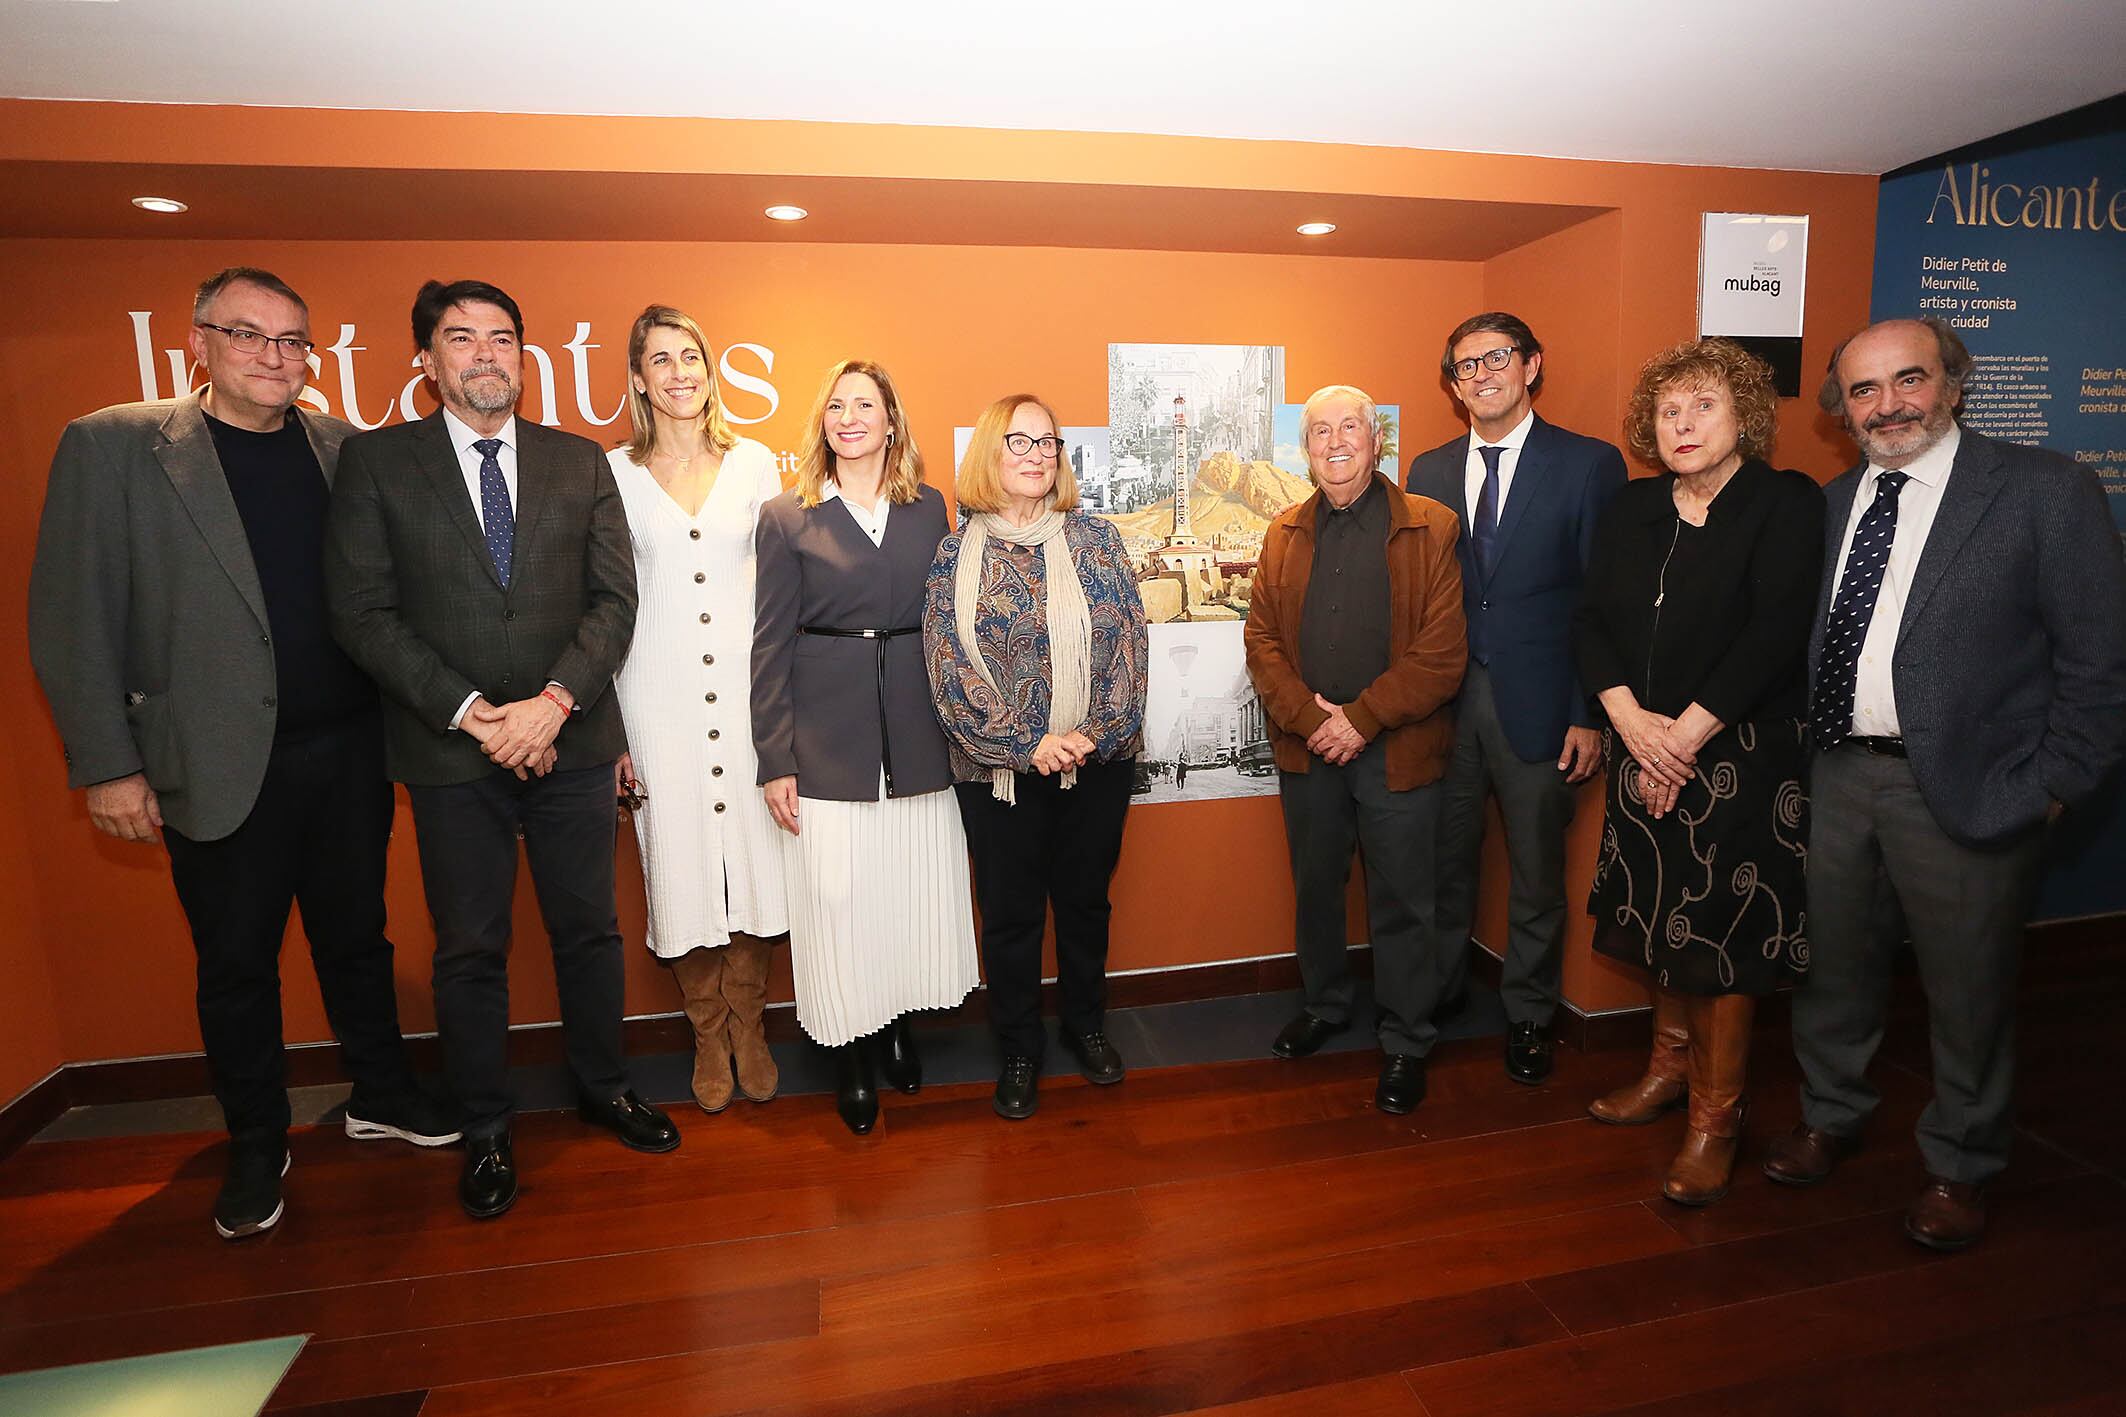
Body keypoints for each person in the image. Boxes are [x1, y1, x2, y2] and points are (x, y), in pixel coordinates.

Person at [28, 266, 454, 1241]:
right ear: (199, 343)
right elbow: (70, 616)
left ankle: (382, 1092)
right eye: (249, 334)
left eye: (293, 339)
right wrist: (108, 763)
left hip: (347, 749)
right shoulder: (114, 445)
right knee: (235, 962)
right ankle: (256, 1138)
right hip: (215, 759)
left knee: (358, 938)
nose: (274, 355)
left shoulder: (342, 448)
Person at [1766, 316, 2126, 1250]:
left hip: (1971, 791)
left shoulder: (2044, 490)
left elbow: (2100, 661)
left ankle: (1962, 1161)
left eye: (1909, 379)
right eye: (1864, 389)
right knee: (1831, 970)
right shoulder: (1830, 503)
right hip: (1839, 775)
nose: (1888, 405)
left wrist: (2052, 784)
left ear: (1954, 384)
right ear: (1841, 409)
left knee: (1968, 992)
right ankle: (1831, 1112)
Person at [325, 278, 677, 1221]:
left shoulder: (578, 461)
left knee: (589, 932)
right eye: (462, 338)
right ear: (426, 360)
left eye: (502, 338)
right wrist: (479, 715)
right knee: (471, 948)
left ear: (523, 354)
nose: (486, 354)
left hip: (573, 740)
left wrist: (552, 705)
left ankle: (604, 1087)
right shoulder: (378, 463)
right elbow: (363, 612)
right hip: (452, 755)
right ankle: (484, 1123)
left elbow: (615, 601)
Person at [1574, 337, 1823, 1206]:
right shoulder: (1633, 507)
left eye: (1703, 406)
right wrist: (1627, 720)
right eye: (1668, 410)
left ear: (1743, 415)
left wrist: (1678, 740)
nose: (1682, 424)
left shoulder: (1784, 502)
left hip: (1740, 756)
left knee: (1722, 936)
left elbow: (1775, 631)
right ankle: (1667, 1071)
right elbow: (1590, 618)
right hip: (1641, 740)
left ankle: (1717, 1119)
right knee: (1658, 917)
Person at [751, 358, 980, 1136]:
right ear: (823, 423)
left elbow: (949, 621)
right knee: (839, 900)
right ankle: (850, 1049)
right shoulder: (787, 515)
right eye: (836, 406)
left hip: (918, 733)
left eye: (865, 405)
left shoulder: (929, 508)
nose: (849, 418)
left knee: (903, 893)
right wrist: (775, 758)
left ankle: (896, 1025)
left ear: (891, 422)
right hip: (827, 739)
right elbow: (768, 643)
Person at [1406, 312, 1626, 1084]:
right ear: (1453, 385)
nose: (1482, 375)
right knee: (1443, 861)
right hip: (1445, 705)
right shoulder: (1429, 471)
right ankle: (1434, 994)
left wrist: (1588, 712)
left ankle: (1530, 1012)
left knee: (1536, 872)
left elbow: (1604, 600)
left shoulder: (1588, 465)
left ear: (1531, 365)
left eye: (1497, 358)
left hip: (1543, 705)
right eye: (1465, 365)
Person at [1243, 384, 1467, 1116]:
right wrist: (1313, 720)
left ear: (1377, 442)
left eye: (1350, 428)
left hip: (1397, 748)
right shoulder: (1282, 533)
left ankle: (1406, 1038)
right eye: (1320, 432)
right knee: (1316, 888)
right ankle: (1324, 1004)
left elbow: (1442, 654)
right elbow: (1262, 640)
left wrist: (1361, 719)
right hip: (1310, 749)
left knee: (1404, 899)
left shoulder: (1431, 526)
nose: (1336, 442)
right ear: (1305, 449)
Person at [924, 394, 1149, 1119]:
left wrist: (1094, 733)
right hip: (998, 775)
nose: (1035, 454)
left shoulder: (1097, 540)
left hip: (1094, 763)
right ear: (989, 452)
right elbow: (949, 669)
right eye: (1018, 441)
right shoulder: (954, 554)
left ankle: (1086, 1025)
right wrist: (1027, 743)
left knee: (1085, 904)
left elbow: (1129, 644)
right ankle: (1019, 1047)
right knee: (1011, 916)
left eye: (1047, 441)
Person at [606, 305, 789, 1114]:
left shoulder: (753, 464)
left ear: (710, 372)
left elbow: (781, 590)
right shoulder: (613, 473)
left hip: (750, 698)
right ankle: (707, 1031)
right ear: (639, 378)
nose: (679, 373)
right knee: (679, 865)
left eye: (691, 357)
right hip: (655, 697)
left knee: (755, 862)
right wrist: (611, 729)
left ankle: (750, 1024)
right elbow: (604, 599)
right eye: (661, 359)